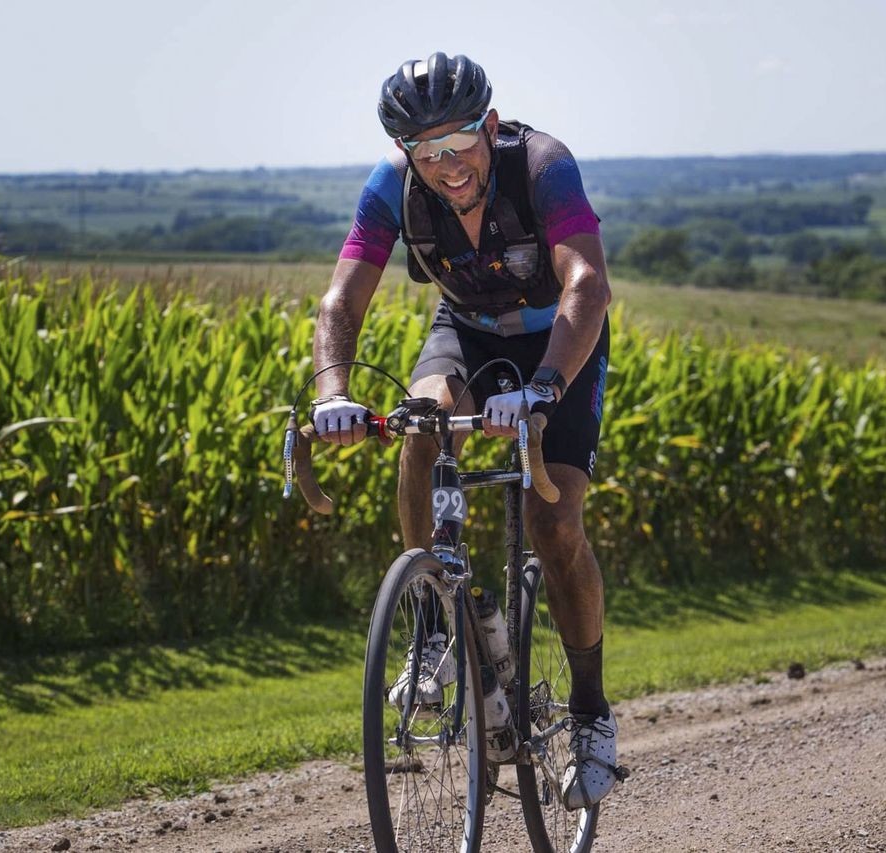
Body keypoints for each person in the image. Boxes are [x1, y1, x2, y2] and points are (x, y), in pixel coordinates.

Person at [309, 52, 619, 810]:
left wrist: (544, 388)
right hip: (468, 333)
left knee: (555, 518)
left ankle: (590, 714)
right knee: (421, 423)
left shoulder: (543, 166)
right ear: (406, 154)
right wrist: (332, 392)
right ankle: (435, 626)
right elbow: (340, 304)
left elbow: (588, 284)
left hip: (558, 341)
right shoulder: (392, 187)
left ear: (490, 124)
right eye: (426, 152)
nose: (447, 166)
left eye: (459, 143)